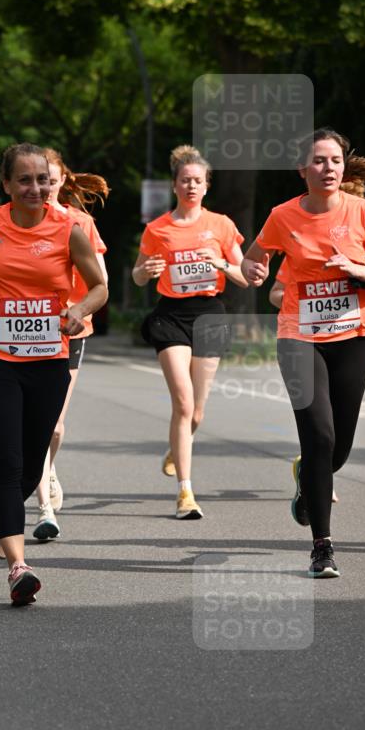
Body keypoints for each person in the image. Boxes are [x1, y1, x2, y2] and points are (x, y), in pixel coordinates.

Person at [0, 142, 108, 606]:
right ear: (7, 184)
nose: (35, 188)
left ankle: (4, 520)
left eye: (42, 180)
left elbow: (99, 286)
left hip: (48, 362)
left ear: (53, 183)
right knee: (8, 460)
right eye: (25, 180)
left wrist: (80, 310)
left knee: (33, 463)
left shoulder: (70, 228)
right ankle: (18, 565)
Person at [242, 128, 365, 577]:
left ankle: (309, 481)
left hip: (354, 335)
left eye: (335, 161)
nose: (329, 169)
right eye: (319, 161)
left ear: (344, 167)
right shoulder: (282, 216)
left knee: (338, 447)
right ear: (302, 168)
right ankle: (322, 546)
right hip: (299, 336)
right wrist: (253, 268)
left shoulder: (363, 212)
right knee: (319, 436)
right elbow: (254, 257)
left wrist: (360, 270)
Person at [132, 144, 247, 519]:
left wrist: (221, 263)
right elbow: (137, 274)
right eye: (185, 181)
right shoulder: (157, 229)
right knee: (182, 402)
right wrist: (143, 273)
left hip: (210, 314)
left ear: (206, 185)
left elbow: (244, 276)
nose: (191, 186)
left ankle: (175, 446)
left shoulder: (221, 225)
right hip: (171, 316)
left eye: (198, 181)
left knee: (196, 413)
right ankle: (185, 493)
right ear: (175, 184)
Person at [32, 148, 109, 541]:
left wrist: (78, 308)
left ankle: (48, 466)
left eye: (50, 177)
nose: (43, 185)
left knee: (56, 426)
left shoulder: (81, 223)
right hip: (26, 331)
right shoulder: (18, 222)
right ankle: (44, 508)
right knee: (38, 422)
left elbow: (103, 282)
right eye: (35, 177)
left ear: (62, 181)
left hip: (69, 331)